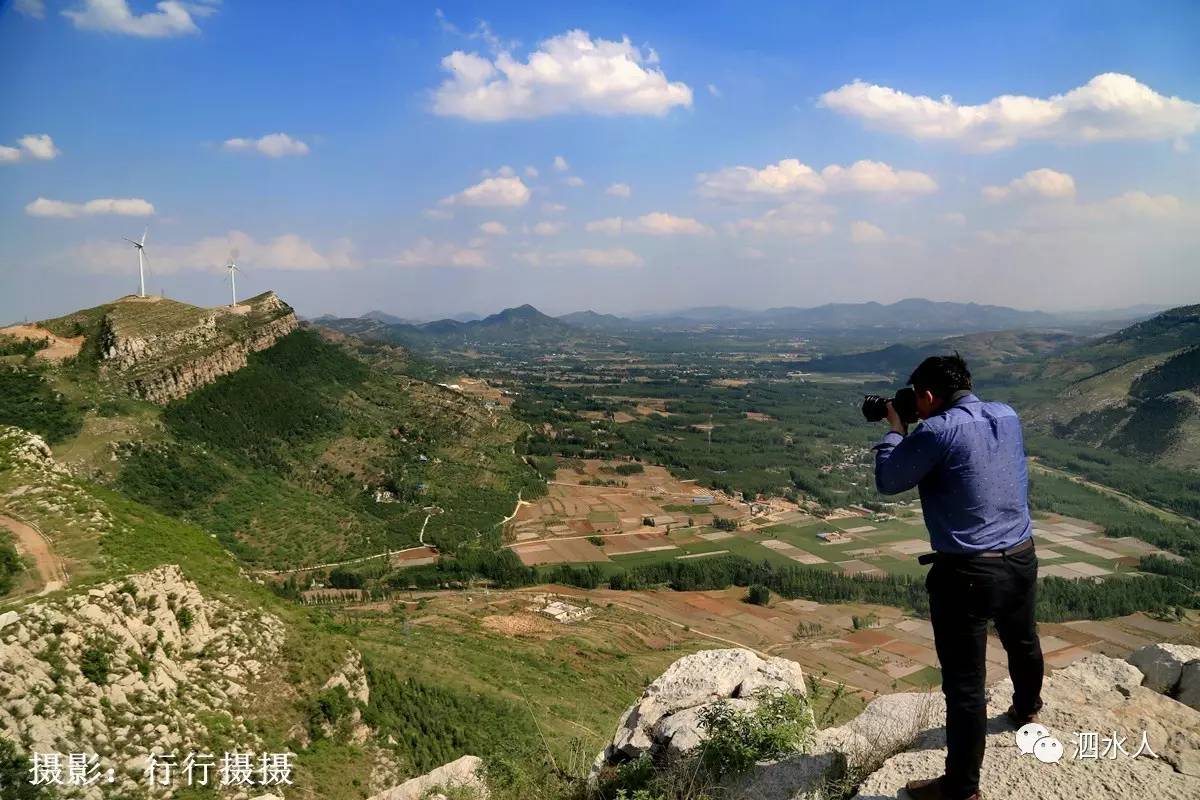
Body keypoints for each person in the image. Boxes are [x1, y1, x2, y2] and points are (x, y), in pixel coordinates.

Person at [873, 354, 1043, 800]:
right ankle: (1027, 710)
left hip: (967, 572)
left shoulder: (935, 430)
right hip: (1021, 555)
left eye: (919, 400)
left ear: (927, 397)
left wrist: (895, 430)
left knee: (966, 684)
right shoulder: (1007, 415)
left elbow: (890, 480)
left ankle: (962, 788)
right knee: (1022, 640)